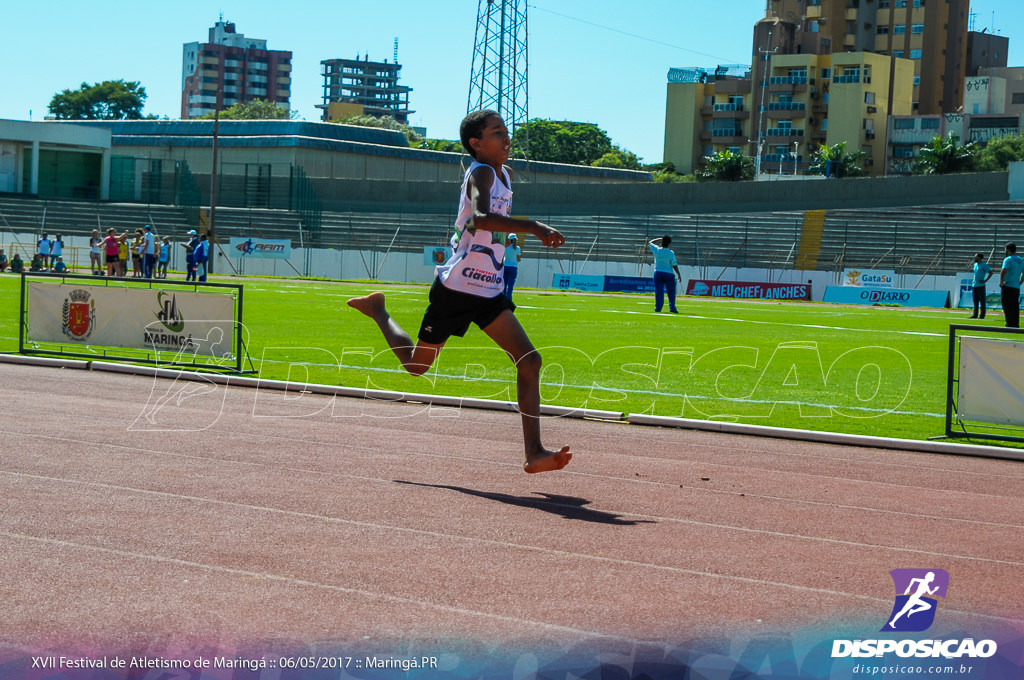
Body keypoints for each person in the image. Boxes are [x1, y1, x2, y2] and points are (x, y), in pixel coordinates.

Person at [347, 109, 572, 474]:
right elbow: (480, 218)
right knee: (417, 367)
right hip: (458, 286)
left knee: (529, 360)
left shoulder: (505, 175)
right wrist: (531, 225)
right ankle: (379, 311)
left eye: (505, 131)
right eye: (497, 132)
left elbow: (489, 227)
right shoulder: (481, 171)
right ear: (476, 143)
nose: (506, 137)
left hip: (489, 288)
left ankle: (534, 452)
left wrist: (509, 236)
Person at [647, 235, 682, 313]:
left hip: (658, 273)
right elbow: (674, 265)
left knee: (659, 291)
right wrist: (678, 274)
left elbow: (650, 242)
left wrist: (659, 239)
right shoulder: (671, 253)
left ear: (662, 242)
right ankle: (672, 307)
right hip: (669, 273)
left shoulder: (657, 250)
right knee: (671, 291)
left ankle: (658, 308)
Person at [1000, 242, 1024, 329]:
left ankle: (1009, 323)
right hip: (1016, 287)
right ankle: (1015, 323)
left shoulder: (1008, 259)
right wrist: (1020, 282)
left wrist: (1001, 281)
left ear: (1008, 249)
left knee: (1006, 305)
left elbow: (1004, 270)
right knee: (1015, 305)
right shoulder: (1021, 260)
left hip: (1008, 285)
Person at [969, 252, 992, 320]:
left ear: (979, 257)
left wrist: (986, 280)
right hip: (975, 285)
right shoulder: (975, 264)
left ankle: (982, 315)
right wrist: (973, 280)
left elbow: (991, 272)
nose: (975, 257)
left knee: (982, 301)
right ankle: (975, 314)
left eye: (976, 256)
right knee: (975, 301)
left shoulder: (984, 265)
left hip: (981, 285)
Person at [502, 233, 522, 300]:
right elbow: (518, 259)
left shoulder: (505, 247)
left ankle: (503, 299)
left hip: (505, 266)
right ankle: (509, 300)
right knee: (510, 285)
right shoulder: (517, 248)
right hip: (513, 267)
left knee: (504, 285)